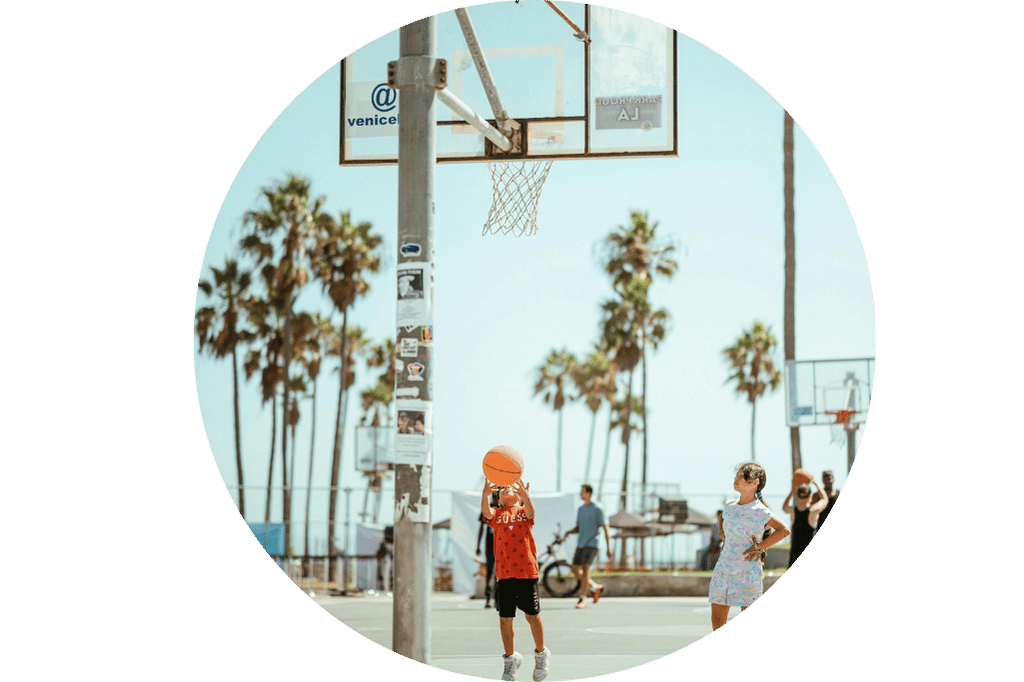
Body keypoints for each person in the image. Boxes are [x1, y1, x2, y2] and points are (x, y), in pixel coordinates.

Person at [482, 478, 551, 682]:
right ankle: (511, 659)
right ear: (500, 500)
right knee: (505, 620)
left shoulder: (523, 512)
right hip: (504, 575)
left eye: (509, 488)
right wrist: (485, 494)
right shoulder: (498, 515)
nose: (505, 489)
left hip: (526, 572)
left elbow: (531, 512)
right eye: (502, 490)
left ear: (519, 497)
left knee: (532, 616)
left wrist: (526, 497)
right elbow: (486, 512)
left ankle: (541, 654)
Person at [709, 462, 791, 632]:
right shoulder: (729, 506)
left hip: (747, 572)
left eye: (741, 476)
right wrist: (722, 533)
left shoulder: (760, 510)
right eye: (736, 475)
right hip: (723, 570)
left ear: (755, 482)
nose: (736, 479)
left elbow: (783, 530)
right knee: (717, 622)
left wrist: (761, 547)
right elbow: (722, 518)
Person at [562, 484, 612, 609]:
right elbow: (579, 527)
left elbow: (605, 528)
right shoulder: (580, 509)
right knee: (574, 569)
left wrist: (609, 548)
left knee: (585, 571)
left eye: (582, 492)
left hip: (592, 544)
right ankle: (595, 587)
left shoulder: (598, 508)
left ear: (588, 493)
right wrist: (569, 532)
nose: (580, 494)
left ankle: (582, 599)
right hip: (581, 543)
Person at [782, 476, 829, 567]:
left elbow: (784, 507)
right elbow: (824, 499)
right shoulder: (813, 511)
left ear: (798, 496)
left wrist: (792, 491)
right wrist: (816, 483)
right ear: (810, 497)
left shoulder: (793, 511)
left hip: (795, 557)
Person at [476, 488, 499, 609]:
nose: (495, 499)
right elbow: (481, 527)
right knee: (490, 570)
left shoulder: (502, 508)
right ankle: (488, 598)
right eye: (493, 496)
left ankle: (497, 597)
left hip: (501, 544)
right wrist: (478, 546)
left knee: (499, 572)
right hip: (489, 544)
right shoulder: (488, 508)